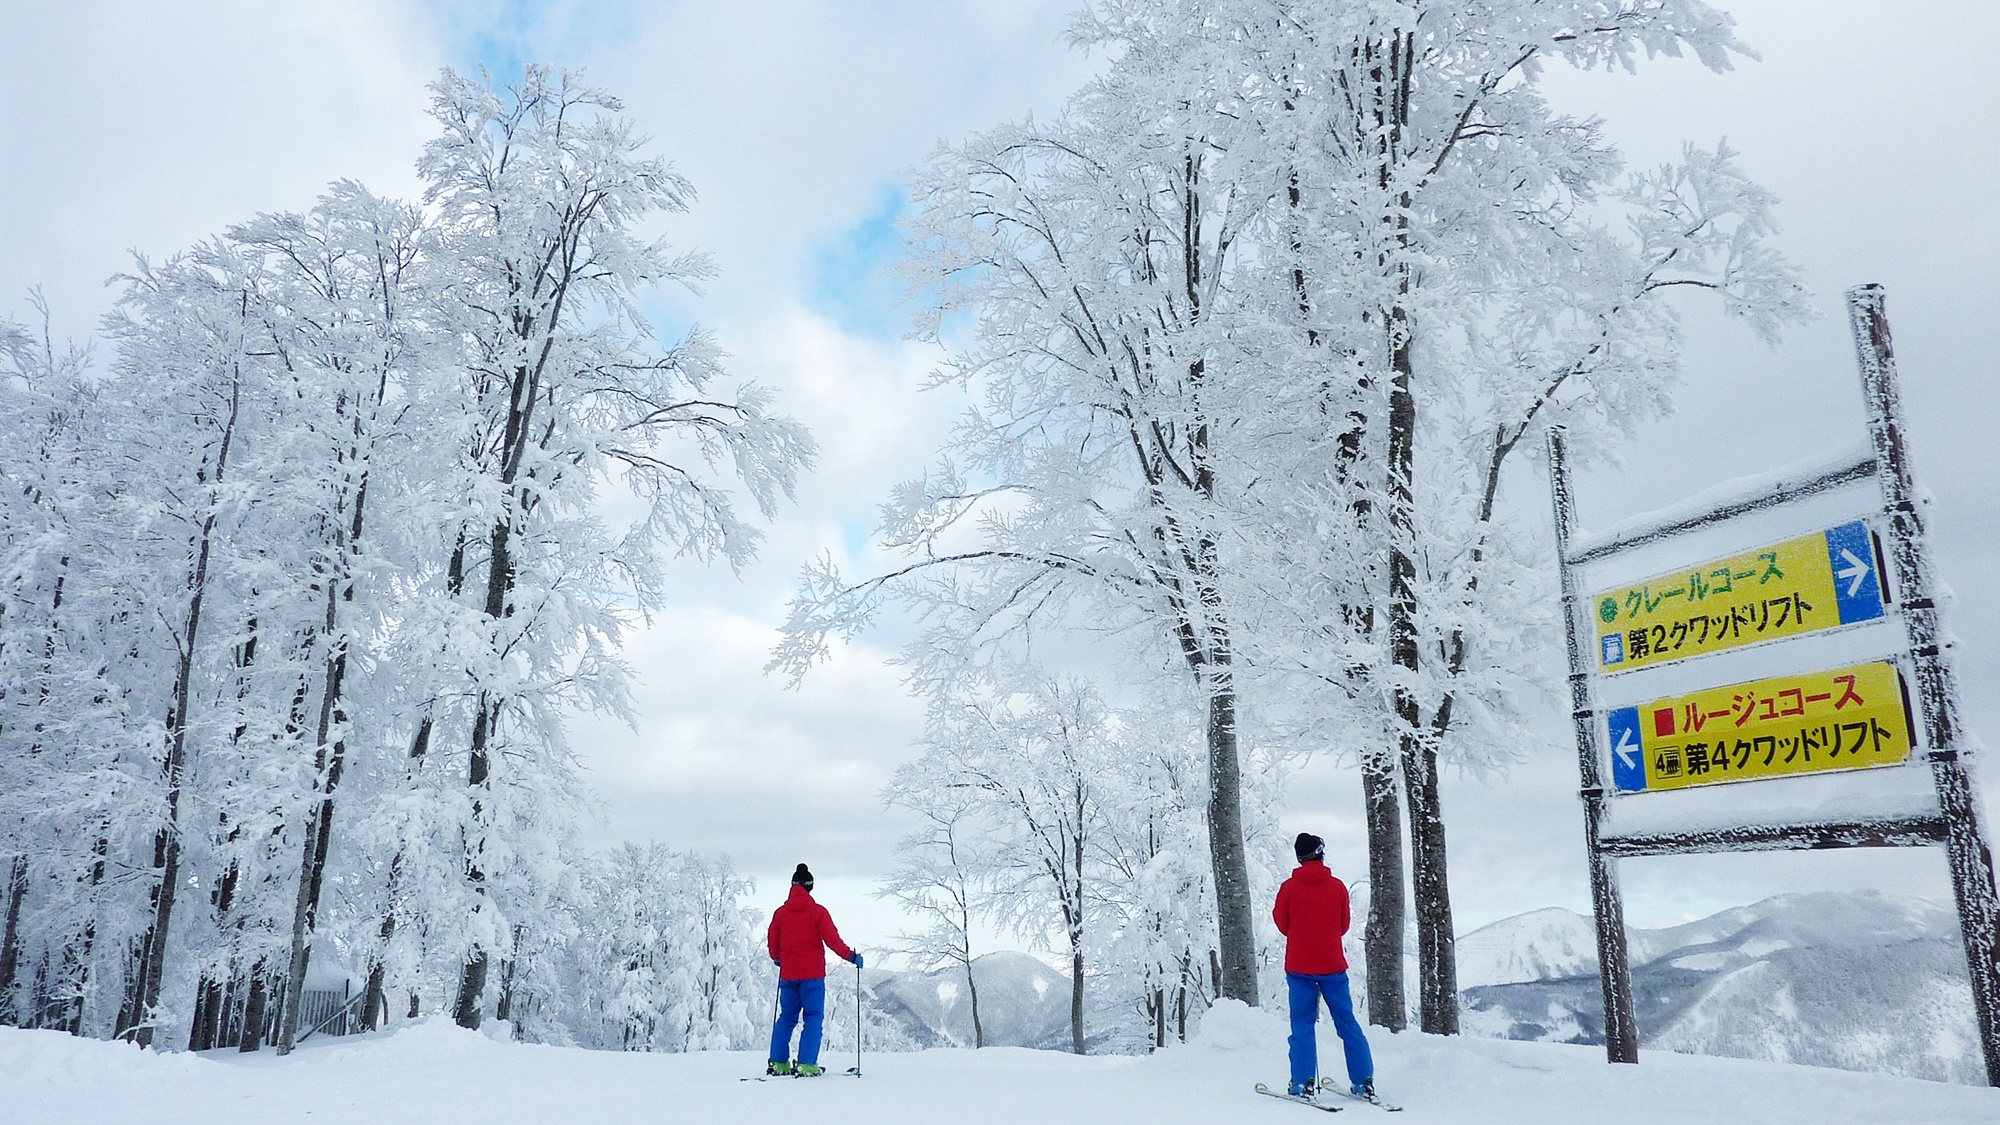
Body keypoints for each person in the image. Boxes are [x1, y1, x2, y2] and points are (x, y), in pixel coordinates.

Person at [1272, 832, 1373, 1100]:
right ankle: (1364, 1082)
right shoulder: (1337, 887)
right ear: (1321, 854)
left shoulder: (1288, 888)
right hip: (1332, 966)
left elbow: (1282, 924)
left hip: (1299, 966)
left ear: (1299, 856)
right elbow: (1342, 926)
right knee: (1347, 1022)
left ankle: (1301, 1083)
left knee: (1302, 1024)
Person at [766, 863, 862, 1077]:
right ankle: (807, 1063)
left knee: (787, 1018)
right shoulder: (818, 913)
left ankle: (778, 1062)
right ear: (810, 887)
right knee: (813, 1018)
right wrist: (852, 957)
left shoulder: (780, 914)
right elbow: (833, 941)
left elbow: (773, 943)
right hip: (813, 978)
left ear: (792, 886)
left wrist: (778, 959)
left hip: (789, 976)